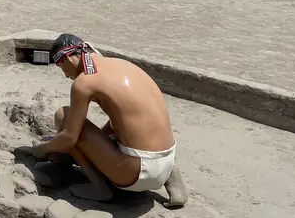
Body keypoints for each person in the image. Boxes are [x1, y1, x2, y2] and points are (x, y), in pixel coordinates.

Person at [31, 34, 188, 207]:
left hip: (134, 174)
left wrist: (43, 148)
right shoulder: (124, 65)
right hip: (167, 160)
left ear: (68, 57)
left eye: (62, 68)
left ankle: (99, 188)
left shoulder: (84, 82)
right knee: (137, 126)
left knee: (64, 116)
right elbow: (122, 121)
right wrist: (97, 142)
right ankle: (172, 178)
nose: (66, 75)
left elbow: (69, 137)